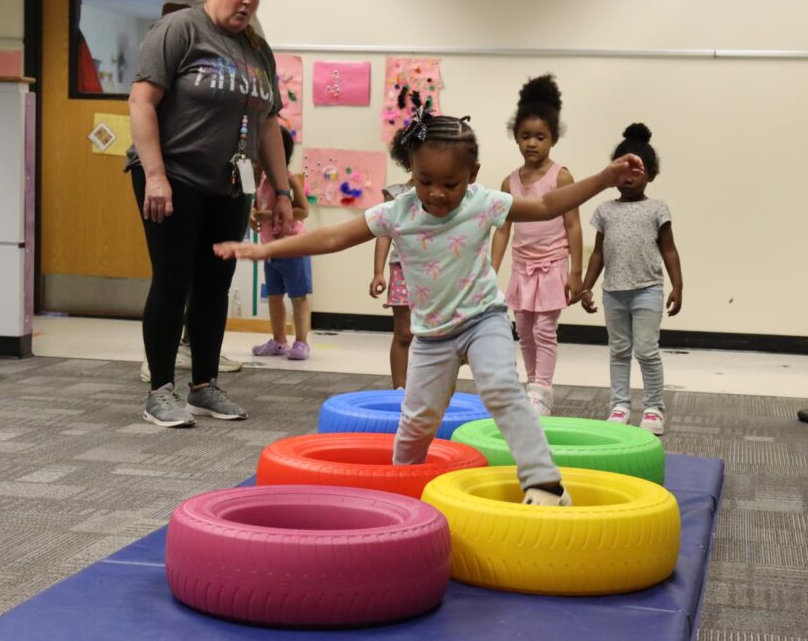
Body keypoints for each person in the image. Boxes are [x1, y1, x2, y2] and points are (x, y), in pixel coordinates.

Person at [215, 95, 645, 506]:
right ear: (411, 173)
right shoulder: (398, 210)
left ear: (472, 174)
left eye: (450, 184)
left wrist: (604, 178)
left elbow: (548, 204)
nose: (437, 193)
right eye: (425, 182)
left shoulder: (483, 203)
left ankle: (544, 481)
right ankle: (401, 483)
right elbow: (333, 236)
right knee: (417, 421)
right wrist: (266, 249)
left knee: (501, 389)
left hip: (483, 319)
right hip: (431, 336)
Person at [125, 0, 294, 427]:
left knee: (215, 285)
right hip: (173, 176)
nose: (247, 1)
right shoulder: (179, 29)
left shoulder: (258, 50)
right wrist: (155, 176)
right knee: (173, 279)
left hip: (230, 184)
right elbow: (141, 102)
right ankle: (160, 390)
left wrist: (280, 189)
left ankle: (204, 386)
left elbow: (269, 126)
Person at [579, 123, 683, 436]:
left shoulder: (657, 208)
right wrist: (586, 286)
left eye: (636, 171)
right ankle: (620, 405)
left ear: (651, 174)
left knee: (647, 350)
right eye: (622, 169)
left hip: (647, 291)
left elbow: (669, 249)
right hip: (613, 293)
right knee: (619, 350)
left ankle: (653, 408)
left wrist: (678, 285)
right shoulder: (604, 210)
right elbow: (597, 255)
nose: (628, 177)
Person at [491, 75, 581, 416]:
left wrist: (577, 272)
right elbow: (502, 230)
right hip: (522, 267)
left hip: (552, 264)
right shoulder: (508, 182)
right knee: (524, 330)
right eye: (525, 137)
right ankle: (533, 386)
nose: (532, 144)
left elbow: (572, 223)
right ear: (516, 137)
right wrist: (491, 271)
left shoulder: (561, 177)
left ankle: (543, 386)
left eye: (540, 137)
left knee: (545, 329)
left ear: (553, 139)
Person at [250, 125, 312, 360]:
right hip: (271, 250)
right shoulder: (262, 181)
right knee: (274, 296)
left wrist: (270, 215)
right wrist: (253, 215)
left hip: (294, 248)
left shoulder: (289, 179)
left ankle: (302, 342)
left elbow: (303, 211)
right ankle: (278, 340)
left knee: (298, 296)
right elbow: (257, 207)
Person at [369, 179, 413, 388]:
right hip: (402, 269)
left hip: (436, 271)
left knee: (435, 337)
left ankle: (432, 390)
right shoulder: (396, 194)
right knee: (403, 333)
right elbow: (384, 234)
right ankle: (399, 389)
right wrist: (378, 272)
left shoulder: (443, 191)